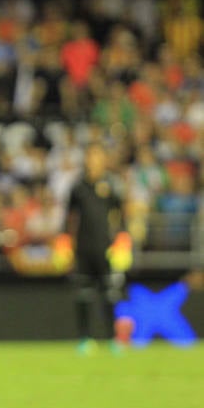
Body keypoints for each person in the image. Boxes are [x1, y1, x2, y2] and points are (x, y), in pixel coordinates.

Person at [65, 142, 126, 355]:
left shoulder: (111, 185)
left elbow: (121, 216)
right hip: (83, 249)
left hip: (105, 249)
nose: (94, 160)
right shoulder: (78, 187)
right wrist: (65, 244)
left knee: (110, 296)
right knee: (83, 296)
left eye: (98, 156)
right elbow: (69, 218)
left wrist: (122, 241)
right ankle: (85, 338)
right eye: (91, 156)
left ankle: (113, 338)